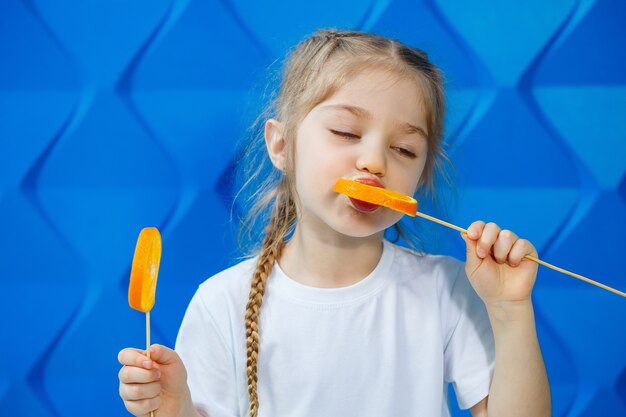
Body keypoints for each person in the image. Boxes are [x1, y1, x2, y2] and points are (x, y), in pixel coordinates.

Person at [118, 29, 551, 417]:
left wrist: (511, 311)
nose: (374, 162)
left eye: (403, 149)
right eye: (346, 132)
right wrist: (175, 410)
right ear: (282, 145)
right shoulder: (220, 303)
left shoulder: (448, 290)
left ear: (421, 176)